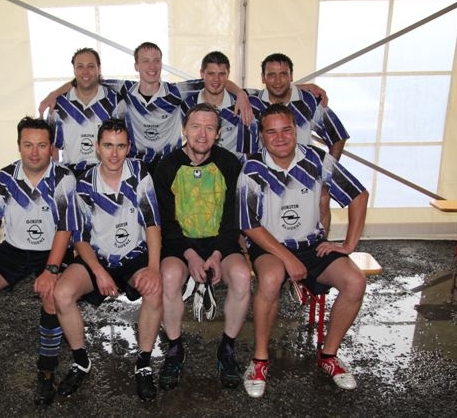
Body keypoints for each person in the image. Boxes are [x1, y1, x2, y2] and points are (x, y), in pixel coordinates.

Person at [237, 104, 368, 398]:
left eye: (286, 129)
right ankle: (260, 360)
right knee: (271, 279)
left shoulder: (317, 159)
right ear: (262, 135)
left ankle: (329, 355)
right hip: (270, 246)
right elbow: (248, 224)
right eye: (271, 131)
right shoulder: (252, 168)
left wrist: (349, 245)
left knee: (355, 282)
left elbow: (358, 195)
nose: (280, 137)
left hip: (311, 245)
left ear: (296, 131)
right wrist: (288, 259)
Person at [0, 116, 80, 406]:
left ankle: (46, 370)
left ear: (51, 148)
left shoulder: (64, 178)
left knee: (51, 294)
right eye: (28, 145)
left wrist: (51, 270)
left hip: (53, 249)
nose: (34, 152)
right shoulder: (5, 179)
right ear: (19, 145)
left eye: (41, 145)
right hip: (14, 248)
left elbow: (65, 227)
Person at [53, 118, 163, 401]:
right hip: (98, 257)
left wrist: (153, 268)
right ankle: (81, 361)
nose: (114, 154)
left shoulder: (140, 174)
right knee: (62, 293)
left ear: (129, 148)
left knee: (155, 289)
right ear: (97, 147)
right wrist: (99, 272)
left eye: (121, 146)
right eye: (108, 146)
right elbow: (79, 238)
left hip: (134, 256)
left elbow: (152, 224)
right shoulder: (84, 183)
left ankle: (143, 364)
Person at [153, 103, 252, 390]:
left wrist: (218, 254)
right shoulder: (166, 166)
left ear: (218, 134)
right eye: (196, 126)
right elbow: (165, 222)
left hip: (220, 242)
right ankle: (174, 348)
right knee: (169, 276)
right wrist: (191, 255)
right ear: (184, 130)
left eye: (210, 128)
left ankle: (227, 348)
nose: (202, 134)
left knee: (242, 276)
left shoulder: (230, 164)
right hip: (181, 244)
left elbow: (233, 217)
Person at [39, 42, 254, 173]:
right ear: (136, 65)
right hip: (136, 164)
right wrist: (54, 94)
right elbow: (87, 79)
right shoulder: (125, 89)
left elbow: (214, 80)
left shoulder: (175, 92)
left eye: (156, 61)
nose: (152, 66)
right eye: (146, 61)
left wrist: (240, 94)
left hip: (169, 164)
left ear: (161, 63)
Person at [248, 53, 350, 234]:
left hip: (304, 173)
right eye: (271, 75)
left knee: (323, 198)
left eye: (283, 74)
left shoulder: (309, 101)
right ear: (263, 78)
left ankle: (321, 246)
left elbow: (337, 136)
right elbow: (216, 85)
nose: (277, 81)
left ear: (291, 76)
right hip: (265, 175)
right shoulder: (251, 102)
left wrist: (325, 175)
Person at [47, 48, 125, 178]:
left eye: (90, 66)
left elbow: (123, 142)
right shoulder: (59, 105)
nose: (85, 71)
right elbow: (52, 147)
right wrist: (56, 177)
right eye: (80, 66)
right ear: (74, 70)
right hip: (71, 174)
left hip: (105, 173)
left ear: (99, 68)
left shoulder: (115, 101)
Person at [181, 51, 259, 160]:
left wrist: (241, 94)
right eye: (211, 73)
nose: (216, 79)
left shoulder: (241, 105)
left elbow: (249, 151)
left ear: (228, 75)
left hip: (233, 167)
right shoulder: (187, 105)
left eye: (222, 74)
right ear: (202, 74)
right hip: (196, 167)